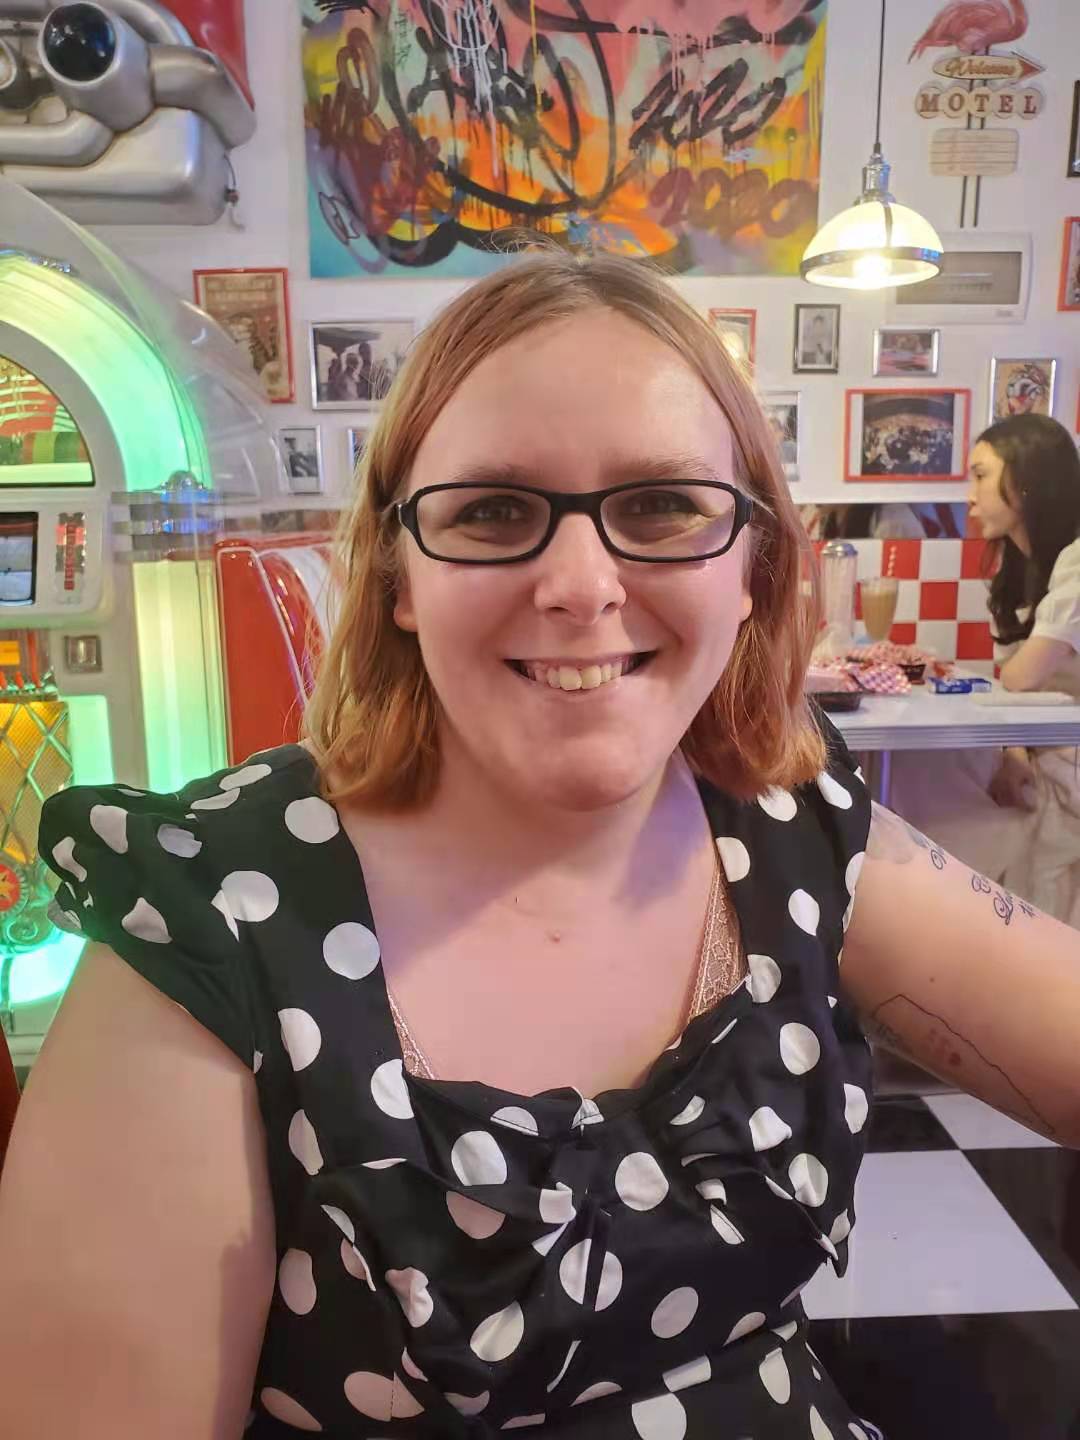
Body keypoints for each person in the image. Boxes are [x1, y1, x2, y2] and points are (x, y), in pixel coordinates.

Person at [1, 253, 1078, 1440]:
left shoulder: (785, 828)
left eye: (663, 505)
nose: (580, 585)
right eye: (495, 512)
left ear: (755, 560)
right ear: (401, 572)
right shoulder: (214, 924)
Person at [891, 413, 1080, 926]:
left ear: (1024, 480)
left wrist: (1014, 745)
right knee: (911, 770)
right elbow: (1017, 686)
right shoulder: (1022, 566)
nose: (969, 496)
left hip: (1069, 771)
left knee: (916, 782)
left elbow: (1021, 678)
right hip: (1045, 753)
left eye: (979, 474)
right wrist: (1013, 748)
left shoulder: (1078, 560)